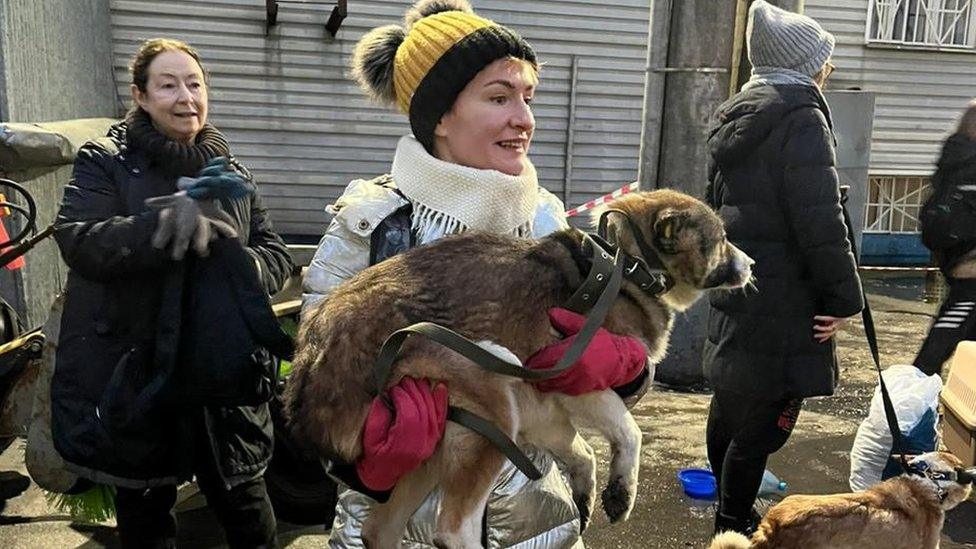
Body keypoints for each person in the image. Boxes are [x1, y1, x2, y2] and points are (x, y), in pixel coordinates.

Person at [301, 0, 650, 546]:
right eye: (499, 97)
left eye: (528, 98)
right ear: (440, 115)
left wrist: (625, 372)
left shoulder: (545, 219)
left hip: (536, 528)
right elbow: (317, 380)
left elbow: (575, 379)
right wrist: (365, 452)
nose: (524, 118)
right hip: (400, 530)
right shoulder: (372, 222)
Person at [53, 38, 292, 548]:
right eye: (168, 85)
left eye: (195, 83)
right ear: (140, 96)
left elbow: (275, 253)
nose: (186, 96)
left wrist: (238, 260)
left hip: (222, 379)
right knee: (145, 518)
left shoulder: (232, 173)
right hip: (138, 372)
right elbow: (79, 239)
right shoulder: (107, 160)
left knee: (249, 514)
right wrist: (164, 225)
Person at [702, 0, 863, 536]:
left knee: (730, 406)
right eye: (825, 60)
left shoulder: (736, 115)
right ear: (805, 64)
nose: (828, 70)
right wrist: (843, 301)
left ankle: (726, 515)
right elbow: (820, 223)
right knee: (766, 424)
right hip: (788, 301)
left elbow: (713, 207)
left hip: (739, 286)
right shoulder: (802, 116)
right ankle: (734, 526)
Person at [914, 101, 976, 376]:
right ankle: (914, 396)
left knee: (961, 341)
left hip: (954, 257)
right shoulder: (970, 164)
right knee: (938, 347)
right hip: (971, 265)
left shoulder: (953, 155)